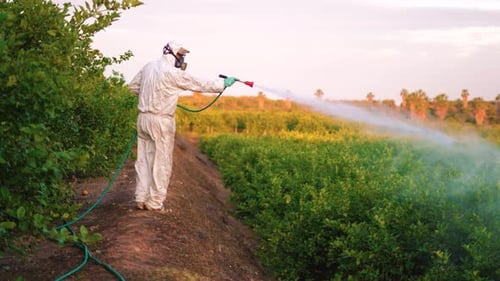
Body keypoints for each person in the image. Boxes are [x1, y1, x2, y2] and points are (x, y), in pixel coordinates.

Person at [128, 40, 237, 211]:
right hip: (161, 120)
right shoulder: (172, 73)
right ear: (172, 53)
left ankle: (141, 198)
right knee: (161, 161)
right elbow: (197, 83)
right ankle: (155, 203)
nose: (182, 59)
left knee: (144, 159)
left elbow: (133, 87)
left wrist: (152, 96)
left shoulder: (149, 66)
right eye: (181, 55)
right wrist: (222, 84)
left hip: (143, 118)